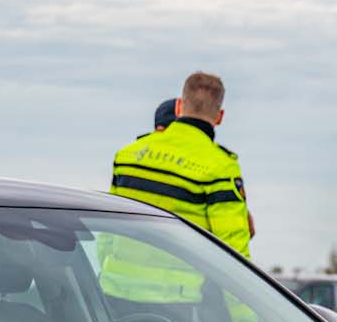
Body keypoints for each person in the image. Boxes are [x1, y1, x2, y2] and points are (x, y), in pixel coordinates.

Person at [104, 74, 252, 307]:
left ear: (181, 106)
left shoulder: (128, 155)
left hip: (114, 295)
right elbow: (234, 255)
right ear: (220, 116)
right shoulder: (220, 167)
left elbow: (107, 231)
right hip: (179, 306)